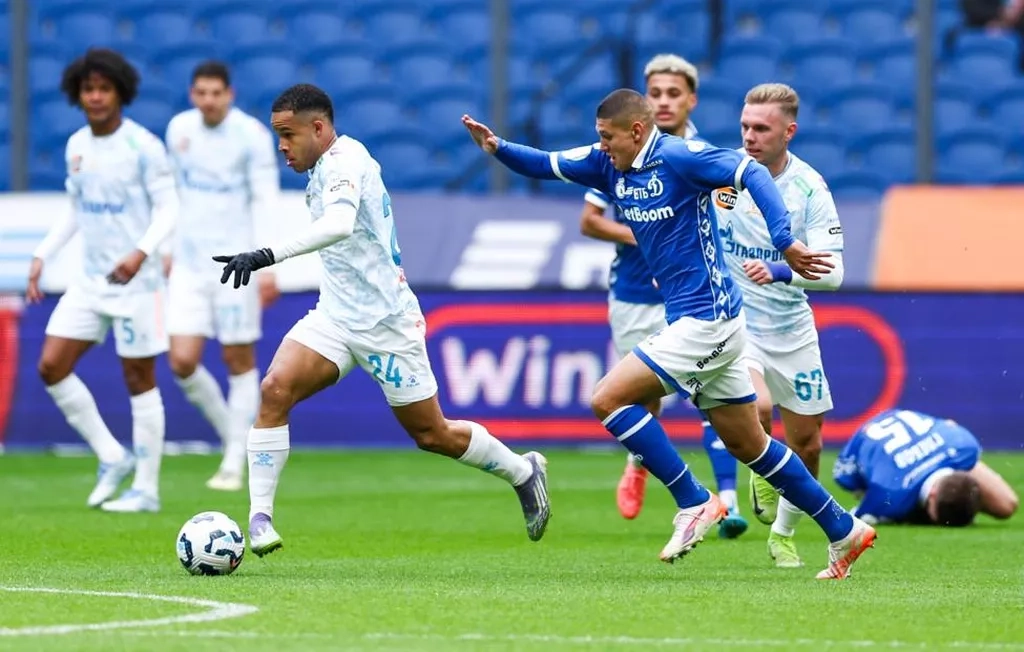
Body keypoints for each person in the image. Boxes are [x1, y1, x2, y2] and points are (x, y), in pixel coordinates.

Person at [462, 89, 876, 579]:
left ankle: (693, 500)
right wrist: (498, 148)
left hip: (709, 318)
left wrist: (784, 242)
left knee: (607, 398)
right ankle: (844, 529)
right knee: (751, 446)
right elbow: (547, 163)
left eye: (608, 137)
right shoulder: (606, 164)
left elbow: (753, 173)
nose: (601, 146)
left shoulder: (680, 157)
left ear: (636, 131)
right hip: (697, 320)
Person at [211, 84, 550, 557]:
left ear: (318, 127)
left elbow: (339, 226)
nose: (282, 146)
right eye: (278, 136)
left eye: (288, 135)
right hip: (334, 316)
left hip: (387, 323)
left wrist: (267, 255)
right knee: (275, 389)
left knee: (432, 434)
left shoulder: (345, 162)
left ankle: (523, 471)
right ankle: (260, 519)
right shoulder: (321, 167)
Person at [581, 54, 745, 538]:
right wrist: (646, 236)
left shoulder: (698, 156)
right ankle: (639, 462)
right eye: (655, 93)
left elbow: (724, 219)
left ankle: (727, 499)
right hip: (635, 293)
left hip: (695, 297)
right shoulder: (618, 151)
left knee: (709, 392)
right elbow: (590, 221)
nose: (664, 102)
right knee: (641, 399)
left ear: (692, 99)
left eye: (674, 93)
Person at [26, 48, 178, 512]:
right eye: (88, 89)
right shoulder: (76, 146)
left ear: (120, 93)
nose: (95, 97)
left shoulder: (143, 146)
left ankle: (147, 489)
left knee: (139, 377)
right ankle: (112, 455)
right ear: (78, 94)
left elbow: (169, 208)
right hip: (90, 281)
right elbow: (76, 208)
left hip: (138, 283)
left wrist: (141, 252)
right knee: (51, 366)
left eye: (104, 89)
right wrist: (43, 253)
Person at [710, 83, 845, 568]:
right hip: (736, 320)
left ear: (789, 132)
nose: (749, 137)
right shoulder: (723, 172)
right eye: (745, 126)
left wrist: (781, 270)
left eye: (762, 129)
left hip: (791, 328)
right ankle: (762, 470)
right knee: (759, 406)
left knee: (808, 444)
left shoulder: (809, 189)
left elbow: (834, 273)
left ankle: (783, 534)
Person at [164, 61, 281, 492]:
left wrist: (267, 264)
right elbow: (171, 194)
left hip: (237, 263)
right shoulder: (179, 130)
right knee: (181, 361)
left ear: (229, 94)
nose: (209, 101)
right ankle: (232, 437)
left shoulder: (251, 136)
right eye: (201, 93)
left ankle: (233, 461)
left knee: (237, 358)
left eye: (216, 93)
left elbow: (266, 199)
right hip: (188, 263)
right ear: (192, 95)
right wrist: (165, 248)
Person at [833, 408, 1019, 525]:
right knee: (893, 508)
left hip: (935, 444)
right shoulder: (888, 492)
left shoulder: (964, 446)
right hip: (865, 440)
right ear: (933, 495)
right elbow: (856, 515)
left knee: (1006, 505)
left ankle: (951, 496)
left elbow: (950, 425)